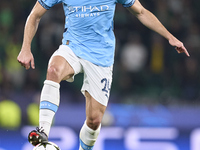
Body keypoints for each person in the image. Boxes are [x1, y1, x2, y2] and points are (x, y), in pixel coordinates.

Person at [17, 0, 190, 149]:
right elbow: (34, 15)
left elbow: (141, 12)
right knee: (53, 69)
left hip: (101, 56)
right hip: (72, 47)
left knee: (94, 120)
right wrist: (25, 48)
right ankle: (43, 133)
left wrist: (169, 37)